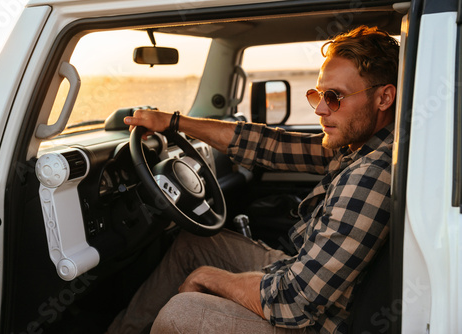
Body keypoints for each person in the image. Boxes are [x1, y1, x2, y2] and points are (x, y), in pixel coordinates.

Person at [107, 25, 399, 334]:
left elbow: (294, 300)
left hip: (318, 322)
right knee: (193, 245)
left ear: (384, 98)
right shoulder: (359, 145)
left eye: (335, 97)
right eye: (317, 94)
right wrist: (174, 123)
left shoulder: (370, 174)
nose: (321, 109)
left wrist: (210, 277)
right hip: (303, 275)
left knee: (180, 313)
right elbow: (271, 146)